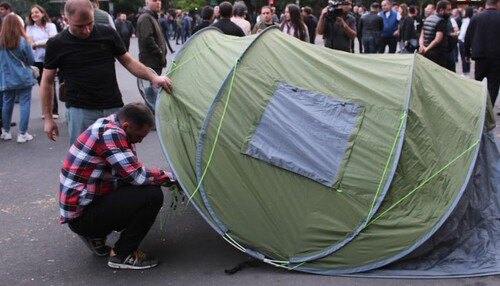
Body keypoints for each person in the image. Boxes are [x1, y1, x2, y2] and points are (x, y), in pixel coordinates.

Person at [60, 102, 178, 269]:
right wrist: (172, 179)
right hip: (82, 217)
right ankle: (123, 254)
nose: (140, 141)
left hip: (84, 206)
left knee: (140, 188)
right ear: (126, 126)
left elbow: (128, 172)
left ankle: (96, 236)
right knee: (151, 195)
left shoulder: (110, 124)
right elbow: (136, 176)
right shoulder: (111, 135)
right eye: (139, 136)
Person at [40, 0, 172, 145]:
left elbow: (128, 61)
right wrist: (48, 118)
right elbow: (47, 81)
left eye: (89, 23)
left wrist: (153, 77)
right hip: (80, 111)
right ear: (66, 20)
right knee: (86, 160)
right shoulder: (57, 44)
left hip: (112, 106)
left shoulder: (107, 33)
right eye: (79, 26)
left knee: (118, 156)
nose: (86, 30)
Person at [0, 14, 37, 143]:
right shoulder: (23, 40)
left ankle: (6, 132)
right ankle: (22, 133)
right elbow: (31, 60)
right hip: (23, 76)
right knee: (24, 103)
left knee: (7, 103)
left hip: (6, 77)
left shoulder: (1, 42)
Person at [464, 0, 500, 108]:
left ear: (486, 4)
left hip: (479, 55)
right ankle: (489, 107)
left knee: (479, 82)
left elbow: (468, 36)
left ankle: (479, 107)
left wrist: (467, 53)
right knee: (493, 83)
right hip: (496, 56)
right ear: (497, 3)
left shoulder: (476, 18)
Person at [26, 4, 59, 119]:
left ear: (43, 13)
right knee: (43, 85)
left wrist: (37, 43)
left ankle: (54, 110)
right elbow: (30, 44)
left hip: (51, 58)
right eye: (32, 13)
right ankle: (46, 111)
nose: (34, 14)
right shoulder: (29, 28)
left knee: (52, 84)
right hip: (37, 60)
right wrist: (43, 43)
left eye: (36, 12)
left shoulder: (51, 25)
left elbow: (53, 41)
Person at [137, 0, 167, 76]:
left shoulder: (153, 17)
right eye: (154, 0)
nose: (158, 2)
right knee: (152, 87)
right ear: (147, 3)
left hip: (155, 62)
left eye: (159, 0)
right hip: (151, 63)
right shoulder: (146, 18)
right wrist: (159, 51)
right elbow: (147, 39)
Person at [419, 0, 450, 68]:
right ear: (441, 10)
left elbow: (422, 36)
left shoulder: (427, 19)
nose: (449, 12)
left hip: (426, 52)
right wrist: (426, 49)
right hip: (437, 54)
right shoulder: (441, 21)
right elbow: (437, 40)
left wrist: (422, 47)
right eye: (448, 10)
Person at [458, 8, 473, 77]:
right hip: (462, 39)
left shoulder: (467, 21)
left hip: (463, 40)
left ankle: (466, 71)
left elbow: (464, 32)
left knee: (464, 57)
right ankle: (465, 71)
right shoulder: (466, 20)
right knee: (463, 57)